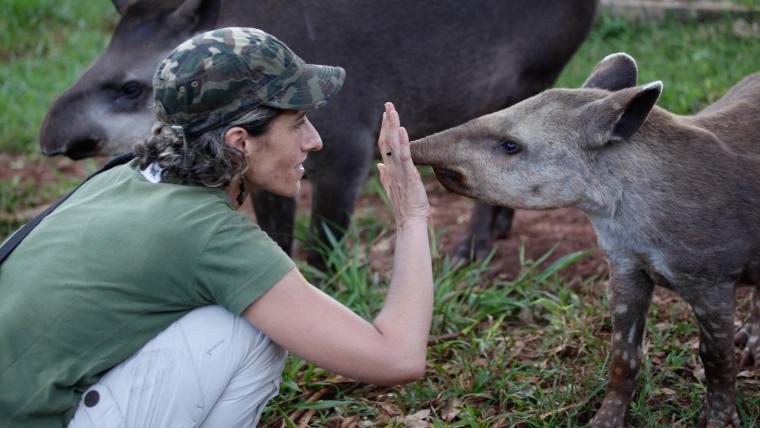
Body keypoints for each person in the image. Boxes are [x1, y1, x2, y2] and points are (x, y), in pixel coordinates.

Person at [0, 27, 433, 427]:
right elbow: (398, 357)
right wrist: (412, 217)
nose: (314, 140)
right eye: (298, 122)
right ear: (240, 142)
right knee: (246, 329)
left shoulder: (123, 176)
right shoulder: (210, 235)